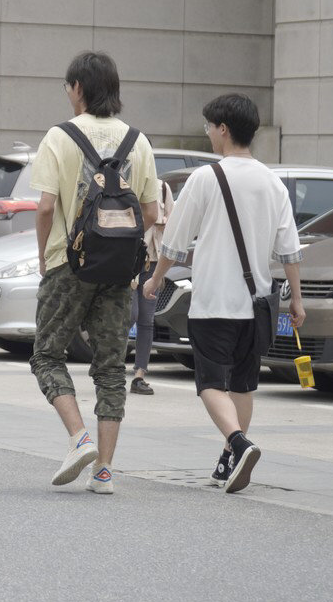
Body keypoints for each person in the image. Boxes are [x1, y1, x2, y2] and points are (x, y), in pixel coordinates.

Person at [142, 94, 305, 493]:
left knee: (210, 384)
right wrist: (297, 301)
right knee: (243, 385)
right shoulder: (272, 182)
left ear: (224, 129)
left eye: (209, 127)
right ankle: (229, 461)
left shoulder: (205, 178)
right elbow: (290, 249)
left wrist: (156, 279)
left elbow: (175, 241)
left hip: (214, 302)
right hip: (257, 303)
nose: (208, 134)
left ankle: (238, 442)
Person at [30, 52, 160, 494]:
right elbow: (151, 212)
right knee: (110, 367)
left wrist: (45, 255)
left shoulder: (59, 136)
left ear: (78, 88)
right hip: (119, 269)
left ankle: (79, 438)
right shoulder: (138, 142)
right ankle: (103, 471)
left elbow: (45, 207)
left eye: (68, 87)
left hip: (68, 264)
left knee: (47, 355)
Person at [129, 179, 174, 395]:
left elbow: (173, 223)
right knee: (130, 314)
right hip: (128, 259)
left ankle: (139, 375)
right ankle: (108, 365)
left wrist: (163, 222)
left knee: (147, 320)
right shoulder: (127, 183)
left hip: (153, 259)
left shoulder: (162, 188)